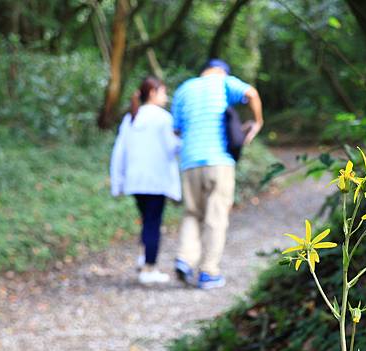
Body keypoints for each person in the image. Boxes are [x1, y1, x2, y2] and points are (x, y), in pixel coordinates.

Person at [172, 59, 263, 289]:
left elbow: (177, 129)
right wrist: (258, 122)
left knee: (192, 213)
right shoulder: (223, 82)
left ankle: (185, 258)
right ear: (222, 70)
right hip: (219, 161)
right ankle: (208, 272)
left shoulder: (184, 89)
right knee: (216, 215)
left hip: (190, 161)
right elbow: (251, 93)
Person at [110, 77, 181, 285]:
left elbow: (119, 151)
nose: (166, 97)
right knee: (153, 223)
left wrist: (118, 181)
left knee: (146, 220)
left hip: (135, 180)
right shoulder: (164, 118)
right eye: (163, 92)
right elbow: (172, 147)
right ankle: (149, 269)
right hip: (156, 181)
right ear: (152, 92)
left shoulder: (132, 117)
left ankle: (144, 258)